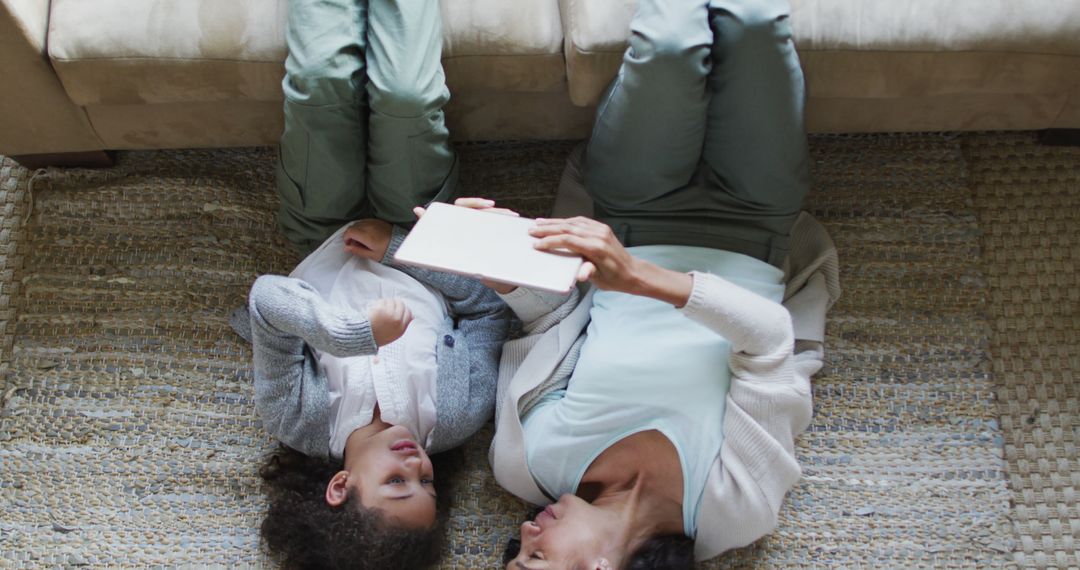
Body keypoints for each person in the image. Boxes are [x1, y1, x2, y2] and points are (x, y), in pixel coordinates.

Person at [490, 0, 841, 568]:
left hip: (632, 214)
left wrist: (500, 268)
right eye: (535, 560)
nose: (525, 533)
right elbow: (771, 341)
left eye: (516, 551)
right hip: (756, 223)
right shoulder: (734, 510)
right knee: (754, 25)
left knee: (672, 45)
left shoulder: (529, 463)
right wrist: (634, 278)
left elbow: (547, 319)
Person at [229, 1, 512, 568]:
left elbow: (266, 303)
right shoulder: (452, 416)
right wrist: (401, 246)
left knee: (319, 84)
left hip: (320, 228)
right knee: (406, 96)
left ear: (339, 487)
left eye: (398, 485)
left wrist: (355, 334)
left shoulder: (301, 421)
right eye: (429, 488)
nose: (419, 469)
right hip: (419, 220)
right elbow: (490, 313)